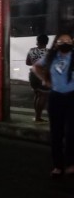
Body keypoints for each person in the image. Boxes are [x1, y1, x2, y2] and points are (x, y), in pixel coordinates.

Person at [32, 33, 74, 178]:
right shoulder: (51, 57)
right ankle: (57, 166)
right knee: (56, 133)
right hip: (56, 97)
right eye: (62, 41)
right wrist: (46, 80)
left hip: (72, 97)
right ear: (56, 43)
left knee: (71, 133)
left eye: (68, 40)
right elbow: (35, 67)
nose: (65, 43)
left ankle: (70, 164)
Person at [26, 34, 49, 122]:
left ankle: (36, 116)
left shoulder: (31, 50)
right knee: (43, 95)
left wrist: (35, 62)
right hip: (42, 75)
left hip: (32, 75)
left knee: (37, 95)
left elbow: (27, 63)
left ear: (37, 41)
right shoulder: (48, 52)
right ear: (47, 42)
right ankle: (38, 117)